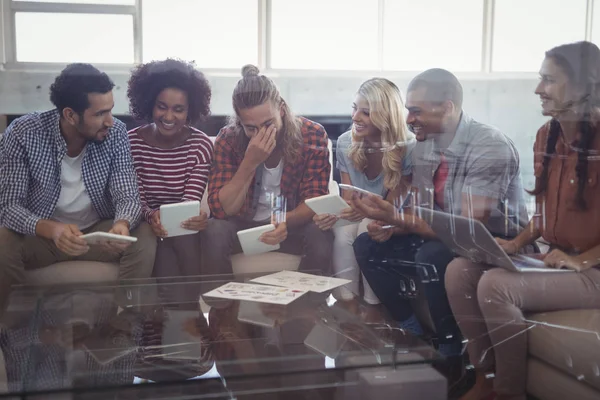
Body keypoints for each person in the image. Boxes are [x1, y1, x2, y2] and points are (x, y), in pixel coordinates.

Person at [350, 68, 528, 382]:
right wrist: (394, 226)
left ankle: (451, 354)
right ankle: (412, 334)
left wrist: (397, 219)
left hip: (493, 242)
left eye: (416, 111)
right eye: (408, 111)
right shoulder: (424, 147)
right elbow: (422, 213)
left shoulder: (489, 145)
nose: (408, 120)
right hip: (445, 237)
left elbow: (469, 229)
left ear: (447, 108)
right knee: (367, 245)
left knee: (431, 256)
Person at [445, 41, 600, 400]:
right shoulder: (548, 135)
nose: (538, 89)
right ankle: (483, 378)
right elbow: (544, 211)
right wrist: (515, 244)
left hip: (592, 270)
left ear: (583, 86)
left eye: (549, 80)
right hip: (557, 258)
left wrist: (581, 260)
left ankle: (506, 392)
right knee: (459, 271)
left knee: (496, 285)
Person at [0, 63, 156, 317]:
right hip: (43, 237)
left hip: (95, 235)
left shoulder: (115, 133)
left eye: (111, 110)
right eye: (99, 114)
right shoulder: (23, 133)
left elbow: (127, 193)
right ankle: (13, 327)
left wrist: (122, 224)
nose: (110, 121)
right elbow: (8, 207)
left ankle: (124, 320)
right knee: (3, 240)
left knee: (145, 234)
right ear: (71, 115)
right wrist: (51, 229)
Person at [203, 65, 333, 275]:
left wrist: (283, 220)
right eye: (250, 128)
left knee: (320, 234)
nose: (259, 134)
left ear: (281, 109)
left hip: (289, 225)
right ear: (239, 121)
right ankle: (223, 305)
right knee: (214, 231)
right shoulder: (228, 139)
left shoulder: (313, 135)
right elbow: (221, 210)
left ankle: (307, 306)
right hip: (244, 226)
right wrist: (250, 162)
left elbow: (314, 201)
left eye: (268, 123)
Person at [313, 78, 414, 312]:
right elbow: (350, 199)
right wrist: (333, 215)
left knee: (365, 227)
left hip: (390, 217)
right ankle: (346, 301)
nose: (355, 117)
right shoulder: (348, 142)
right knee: (341, 231)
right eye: (354, 108)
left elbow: (389, 208)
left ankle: (373, 306)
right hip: (361, 213)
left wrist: (356, 211)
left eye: (366, 112)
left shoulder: (407, 147)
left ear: (385, 116)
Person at [127, 58, 213, 279]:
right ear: (149, 103)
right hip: (144, 222)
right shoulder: (130, 143)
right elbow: (136, 198)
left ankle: (188, 309)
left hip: (180, 227)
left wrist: (191, 217)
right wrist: (150, 215)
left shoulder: (200, 145)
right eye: (161, 107)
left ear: (190, 110)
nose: (168, 117)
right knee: (155, 239)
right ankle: (167, 310)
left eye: (178, 109)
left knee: (182, 236)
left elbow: (189, 201)